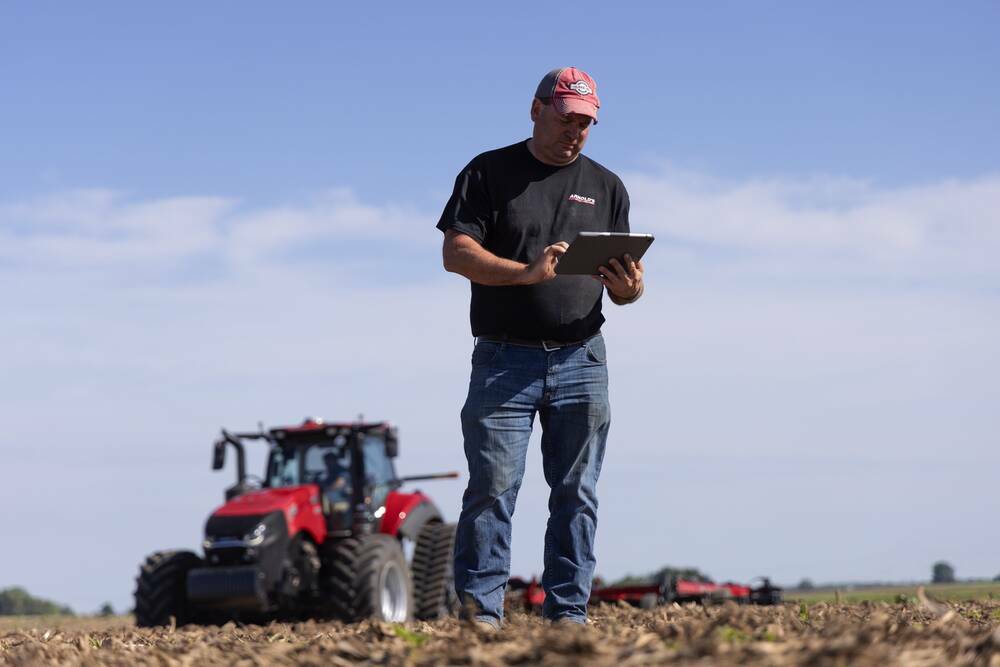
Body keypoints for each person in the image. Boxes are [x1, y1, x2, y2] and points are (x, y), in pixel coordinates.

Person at [435, 67, 645, 630]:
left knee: (577, 493)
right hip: (505, 359)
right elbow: (456, 254)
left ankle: (569, 618)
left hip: (583, 357)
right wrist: (525, 274)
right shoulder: (488, 172)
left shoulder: (608, 186)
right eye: (565, 117)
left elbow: (627, 285)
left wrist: (629, 290)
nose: (575, 131)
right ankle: (481, 618)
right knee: (493, 489)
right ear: (536, 110)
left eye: (585, 122)